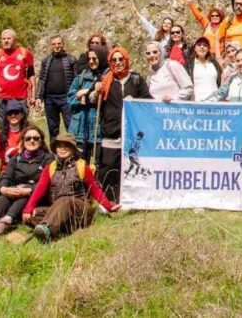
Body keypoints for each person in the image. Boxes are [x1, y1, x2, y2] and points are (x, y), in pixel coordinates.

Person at [24, 132, 120, 242]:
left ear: (73, 149)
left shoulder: (82, 166)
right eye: (59, 146)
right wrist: (28, 209)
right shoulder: (49, 168)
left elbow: (95, 188)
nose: (62, 149)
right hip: (58, 209)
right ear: (55, 149)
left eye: (66, 146)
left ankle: (48, 229)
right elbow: (39, 190)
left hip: (80, 208)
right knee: (33, 214)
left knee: (64, 201)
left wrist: (108, 206)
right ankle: (62, 228)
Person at [0, 125, 52, 238]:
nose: (32, 141)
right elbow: (5, 176)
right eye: (28, 138)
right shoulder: (16, 158)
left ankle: (6, 221)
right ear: (23, 141)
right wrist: (3, 188)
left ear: (41, 141)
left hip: (36, 194)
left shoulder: (48, 159)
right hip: (17, 189)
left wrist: (28, 190)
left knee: (22, 195)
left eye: (36, 138)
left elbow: (47, 182)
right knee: (7, 195)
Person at [97, 47, 151, 202]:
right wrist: (95, 92)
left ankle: (131, 199)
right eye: (114, 60)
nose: (118, 63)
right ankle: (108, 201)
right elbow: (93, 101)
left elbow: (147, 100)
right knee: (108, 168)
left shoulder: (136, 79)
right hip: (111, 132)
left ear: (126, 60)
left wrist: (135, 102)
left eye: (121, 59)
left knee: (130, 167)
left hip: (132, 133)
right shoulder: (105, 80)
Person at [0, 28, 36, 129]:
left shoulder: (25, 53)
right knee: (3, 126)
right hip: (2, 96)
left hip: (21, 97)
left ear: (15, 40)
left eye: (8, 38)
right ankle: (4, 144)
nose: (6, 41)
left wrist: (33, 95)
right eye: (3, 39)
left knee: (23, 126)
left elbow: (31, 74)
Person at [68, 46, 107, 161]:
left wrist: (85, 92)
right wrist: (80, 100)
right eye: (89, 59)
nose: (91, 62)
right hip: (80, 130)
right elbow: (70, 98)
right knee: (79, 167)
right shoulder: (81, 77)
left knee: (98, 167)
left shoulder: (108, 77)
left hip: (98, 130)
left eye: (94, 59)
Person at [36, 35, 76, 140]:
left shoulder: (71, 59)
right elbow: (41, 79)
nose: (56, 46)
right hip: (49, 99)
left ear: (63, 44)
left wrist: (76, 95)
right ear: (50, 45)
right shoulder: (46, 60)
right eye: (54, 44)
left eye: (59, 43)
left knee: (71, 127)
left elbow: (77, 79)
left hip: (67, 98)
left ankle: (73, 152)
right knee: (52, 129)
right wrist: (38, 97)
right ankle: (54, 154)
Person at [184, 37, 222, 102]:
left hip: (214, 103)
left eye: (205, 45)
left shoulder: (214, 64)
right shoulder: (188, 64)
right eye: (199, 45)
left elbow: (220, 82)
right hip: (197, 103)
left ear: (208, 49)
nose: (202, 47)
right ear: (195, 49)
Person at [0, 100, 32, 167]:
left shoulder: (30, 132)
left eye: (16, 112)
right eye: (10, 113)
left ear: (22, 115)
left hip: (25, 168)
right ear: (6, 116)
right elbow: (4, 157)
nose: (13, 115)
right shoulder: (0, 135)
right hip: (6, 170)